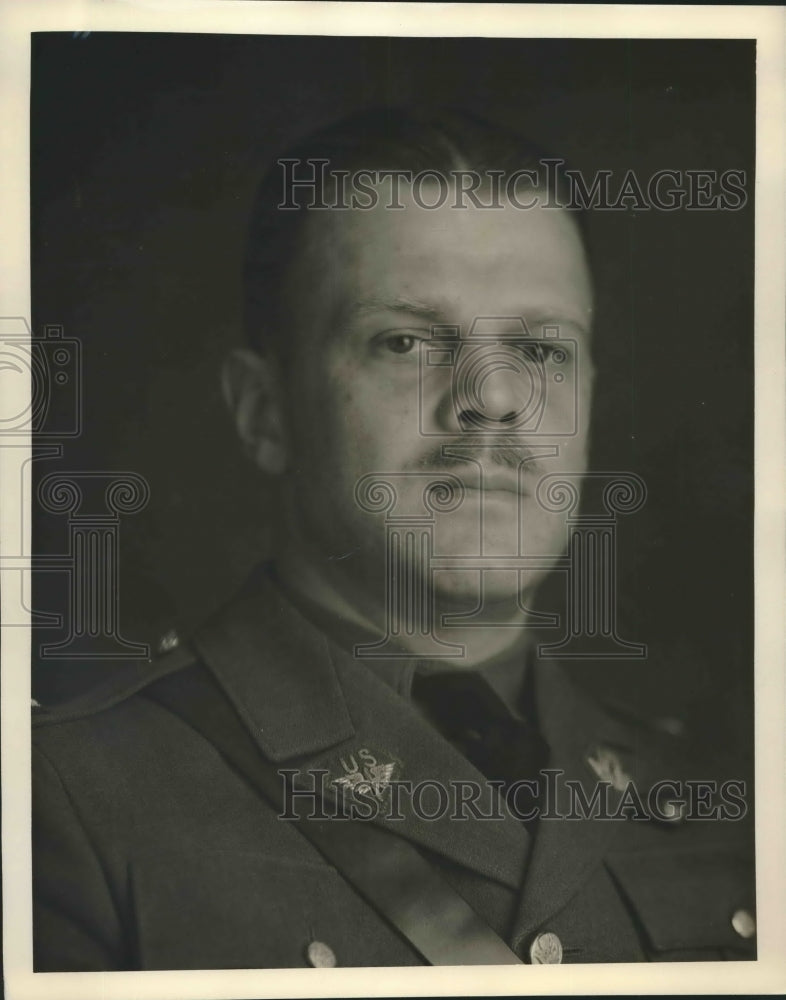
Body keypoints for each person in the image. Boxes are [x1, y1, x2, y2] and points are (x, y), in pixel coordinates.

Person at [32, 108, 755, 970]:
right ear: (264, 413)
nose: (493, 399)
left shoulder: (725, 803)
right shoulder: (64, 800)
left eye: (540, 350)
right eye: (406, 341)